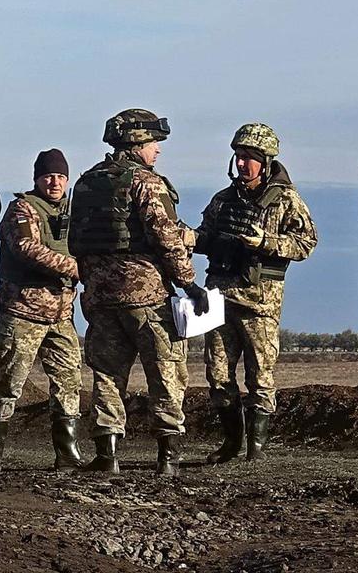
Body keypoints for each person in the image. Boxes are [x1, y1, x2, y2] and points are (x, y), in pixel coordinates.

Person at [69, 109, 207, 476]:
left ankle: (107, 454)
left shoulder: (85, 183)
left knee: (107, 376)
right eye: (153, 143)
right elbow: (166, 237)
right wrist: (190, 283)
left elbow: (76, 241)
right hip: (146, 296)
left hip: (99, 297)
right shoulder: (146, 182)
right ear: (135, 143)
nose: (157, 150)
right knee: (166, 373)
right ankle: (168, 457)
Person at [195, 124, 317, 462]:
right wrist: (191, 238)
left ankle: (256, 449)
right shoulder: (222, 200)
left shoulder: (287, 200)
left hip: (260, 303)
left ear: (265, 161)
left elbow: (306, 243)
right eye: (239, 156)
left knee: (260, 376)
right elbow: (206, 236)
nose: (242, 164)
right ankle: (232, 443)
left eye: (250, 158)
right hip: (219, 299)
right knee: (218, 374)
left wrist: (266, 243)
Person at [0, 149, 83, 472]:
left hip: (62, 314)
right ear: (37, 178)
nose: (54, 182)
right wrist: (76, 267)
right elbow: (28, 249)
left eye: (60, 177)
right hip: (22, 313)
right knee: (9, 382)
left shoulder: (75, 212)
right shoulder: (21, 210)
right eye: (48, 176)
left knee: (69, 382)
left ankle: (67, 452)